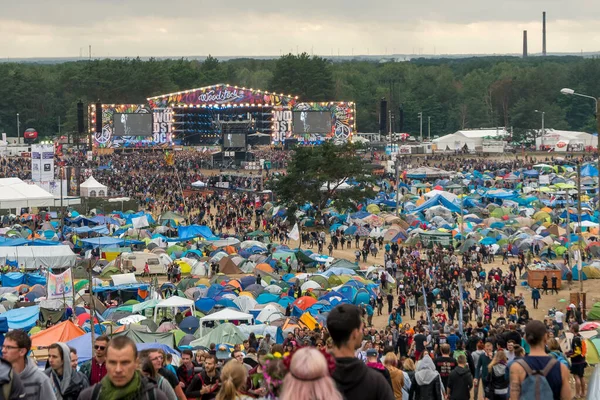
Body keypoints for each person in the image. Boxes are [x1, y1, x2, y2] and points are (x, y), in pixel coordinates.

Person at [327, 304, 395, 400]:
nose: (362, 333)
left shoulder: (316, 379)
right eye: (361, 329)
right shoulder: (375, 381)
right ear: (355, 333)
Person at [78, 336, 168, 400]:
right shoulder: (89, 396)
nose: (118, 369)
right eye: (112, 362)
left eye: (125, 363)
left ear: (136, 363)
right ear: (106, 362)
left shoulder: (154, 396)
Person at [509, 320, 571, 400]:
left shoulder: (516, 367)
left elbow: (514, 397)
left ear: (526, 339)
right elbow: (566, 397)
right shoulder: (561, 368)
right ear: (545, 337)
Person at [2, 329, 55, 400]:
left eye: (8, 347)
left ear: (22, 351)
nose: (3, 350)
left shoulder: (41, 380)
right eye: (3, 346)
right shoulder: (2, 376)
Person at [568, 323, 587, 398]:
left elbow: (577, 351)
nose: (569, 328)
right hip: (582, 359)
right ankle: (583, 393)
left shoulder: (575, 339)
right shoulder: (580, 337)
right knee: (581, 376)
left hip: (577, 361)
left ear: (573, 329)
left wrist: (569, 355)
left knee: (577, 377)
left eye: (570, 327)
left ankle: (577, 394)